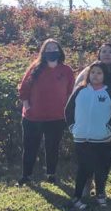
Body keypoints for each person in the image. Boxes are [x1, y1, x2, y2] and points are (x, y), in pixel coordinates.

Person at [17, 39, 74, 185]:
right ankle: (26, 176)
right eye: (48, 48)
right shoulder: (35, 68)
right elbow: (24, 88)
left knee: (52, 147)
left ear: (60, 51)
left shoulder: (66, 70)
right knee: (30, 147)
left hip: (56, 117)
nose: (52, 51)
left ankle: (51, 174)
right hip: (33, 118)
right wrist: (27, 105)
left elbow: (70, 92)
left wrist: (67, 110)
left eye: (54, 48)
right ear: (43, 51)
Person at [65, 61, 111, 210]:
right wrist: (73, 127)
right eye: (93, 72)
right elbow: (68, 110)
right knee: (83, 168)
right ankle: (76, 197)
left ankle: (100, 194)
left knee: (101, 168)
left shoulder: (109, 92)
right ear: (88, 74)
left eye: (99, 73)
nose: (95, 76)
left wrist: (108, 128)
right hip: (81, 138)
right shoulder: (80, 90)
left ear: (105, 75)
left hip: (102, 139)